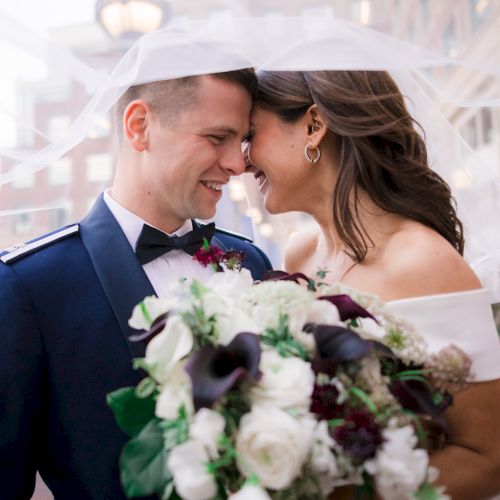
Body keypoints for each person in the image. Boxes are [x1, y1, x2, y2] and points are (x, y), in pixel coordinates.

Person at [0, 69, 272, 499]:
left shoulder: (251, 263)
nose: (238, 163)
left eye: (240, 142)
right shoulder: (28, 285)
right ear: (139, 126)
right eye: (218, 138)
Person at [245, 70, 500, 499]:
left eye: (251, 134)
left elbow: (488, 459)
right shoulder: (300, 255)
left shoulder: (422, 261)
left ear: (313, 126)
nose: (243, 159)